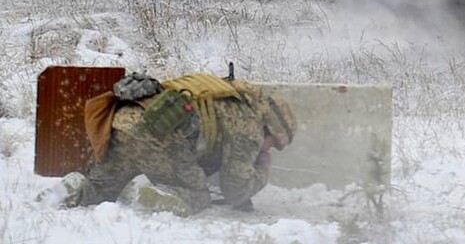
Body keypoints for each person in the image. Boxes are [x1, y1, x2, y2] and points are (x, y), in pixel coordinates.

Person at [42, 73, 297, 216]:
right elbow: (235, 190)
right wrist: (263, 169)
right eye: (274, 144)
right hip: (159, 134)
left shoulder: (223, 90)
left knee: (99, 189)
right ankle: (148, 196)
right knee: (196, 196)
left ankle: (67, 189)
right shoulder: (248, 125)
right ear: (270, 128)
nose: (269, 148)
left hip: (122, 120)